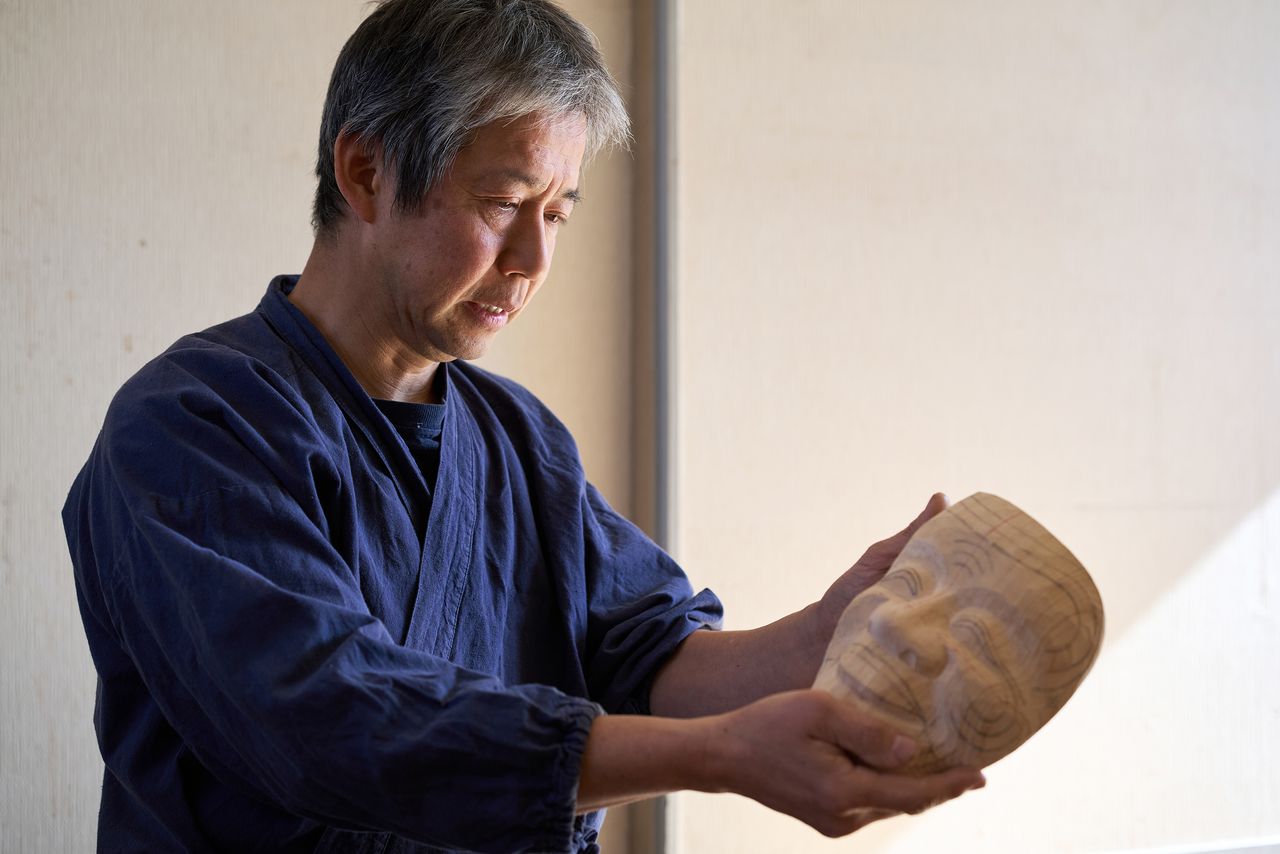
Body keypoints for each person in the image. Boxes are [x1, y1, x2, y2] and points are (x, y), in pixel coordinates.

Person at [62, 1, 985, 851]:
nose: (534, 258)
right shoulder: (192, 427)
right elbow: (328, 718)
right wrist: (716, 756)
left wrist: (828, 632)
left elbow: (653, 656)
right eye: (504, 204)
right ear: (366, 171)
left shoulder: (517, 437)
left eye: (558, 212)